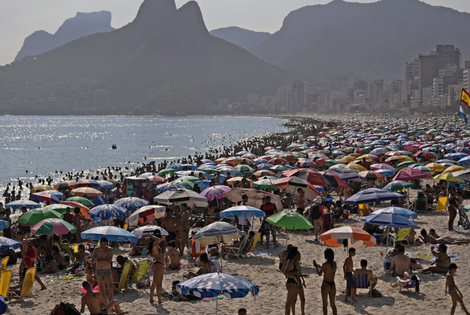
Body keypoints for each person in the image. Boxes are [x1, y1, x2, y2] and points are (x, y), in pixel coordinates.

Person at [86, 237, 114, 303]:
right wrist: (88, 260)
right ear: (99, 243)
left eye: (104, 244)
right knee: (101, 288)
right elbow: (93, 261)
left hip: (107, 270)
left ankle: (110, 302)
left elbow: (108, 261)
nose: (103, 246)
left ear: (107, 244)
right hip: (99, 270)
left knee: (110, 287)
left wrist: (98, 260)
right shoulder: (96, 250)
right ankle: (105, 303)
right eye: (101, 244)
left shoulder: (110, 250)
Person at [313, 248, 337, 315]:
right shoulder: (334, 264)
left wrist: (316, 267)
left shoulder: (325, 264)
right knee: (333, 305)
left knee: (325, 305)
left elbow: (320, 274)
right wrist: (320, 267)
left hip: (326, 284)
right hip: (332, 284)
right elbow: (330, 271)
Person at [282, 246, 303, 315]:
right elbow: (285, 272)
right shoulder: (290, 261)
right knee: (289, 303)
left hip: (293, 283)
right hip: (291, 283)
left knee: (291, 302)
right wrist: (294, 277)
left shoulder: (293, 261)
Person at [148, 230, 166, 304]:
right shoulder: (154, 245)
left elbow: (159, 240)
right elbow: (158, 240)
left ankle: (151, 299)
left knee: (155, 282)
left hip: (158, 264)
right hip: (158, 265)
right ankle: (159, 300)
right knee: (158, 283)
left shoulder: (155, 245)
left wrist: (162, 237)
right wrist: (150, 236)